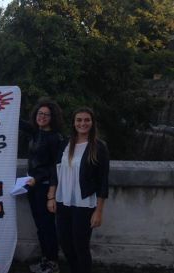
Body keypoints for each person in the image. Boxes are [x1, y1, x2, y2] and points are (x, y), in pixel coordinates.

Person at [47, 107, 109, 273]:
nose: (83, 123)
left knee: (81, 246)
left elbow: (103, 181)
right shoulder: (65, 144)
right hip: (63, 202)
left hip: (84, 204)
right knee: (66, 244)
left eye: (86, 120)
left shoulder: (99, 147)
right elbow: (56, 170)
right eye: (79, 120)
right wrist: (51, 197)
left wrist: (99, 211)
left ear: (92, 123)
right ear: (74, 123)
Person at [19, 99, 64, 273]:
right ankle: (45, 260)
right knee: (40, 226)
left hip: (45, 187)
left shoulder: (56, 138)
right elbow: (18, 122)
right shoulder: (35, 133)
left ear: (52, 117)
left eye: (46, 114)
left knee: (47, 226)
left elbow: (55, 167)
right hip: (32, 186)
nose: (42, 117)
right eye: (40, 113)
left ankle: (53, 263)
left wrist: (37, 179)